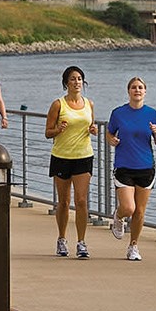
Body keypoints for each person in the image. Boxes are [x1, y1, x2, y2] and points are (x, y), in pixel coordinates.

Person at [105, 76, 156, 261]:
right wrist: (111, 140)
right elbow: (109, 133)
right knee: (129, 208)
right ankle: (118, 215)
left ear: (145, 91)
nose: (137, 90)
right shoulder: (118, 113)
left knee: (139, 211)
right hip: (124, 166)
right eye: (133, 88)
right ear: (128, 91)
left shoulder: (152, 114)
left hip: (146, 167)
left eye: (140, 88)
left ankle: (133, 246)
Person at [45, 66, 97, 259]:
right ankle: (61, 239)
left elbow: (91, 125)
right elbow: (47, 132)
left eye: (80, 79)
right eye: (73, 79)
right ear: (66, 83)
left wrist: (93, 130)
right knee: (64, 202)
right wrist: (58, 129)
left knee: (81, 201)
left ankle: (81, 242)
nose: (77, 82)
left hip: (83, 156)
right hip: (61, 156)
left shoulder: (89, 104)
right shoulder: (58, 105)